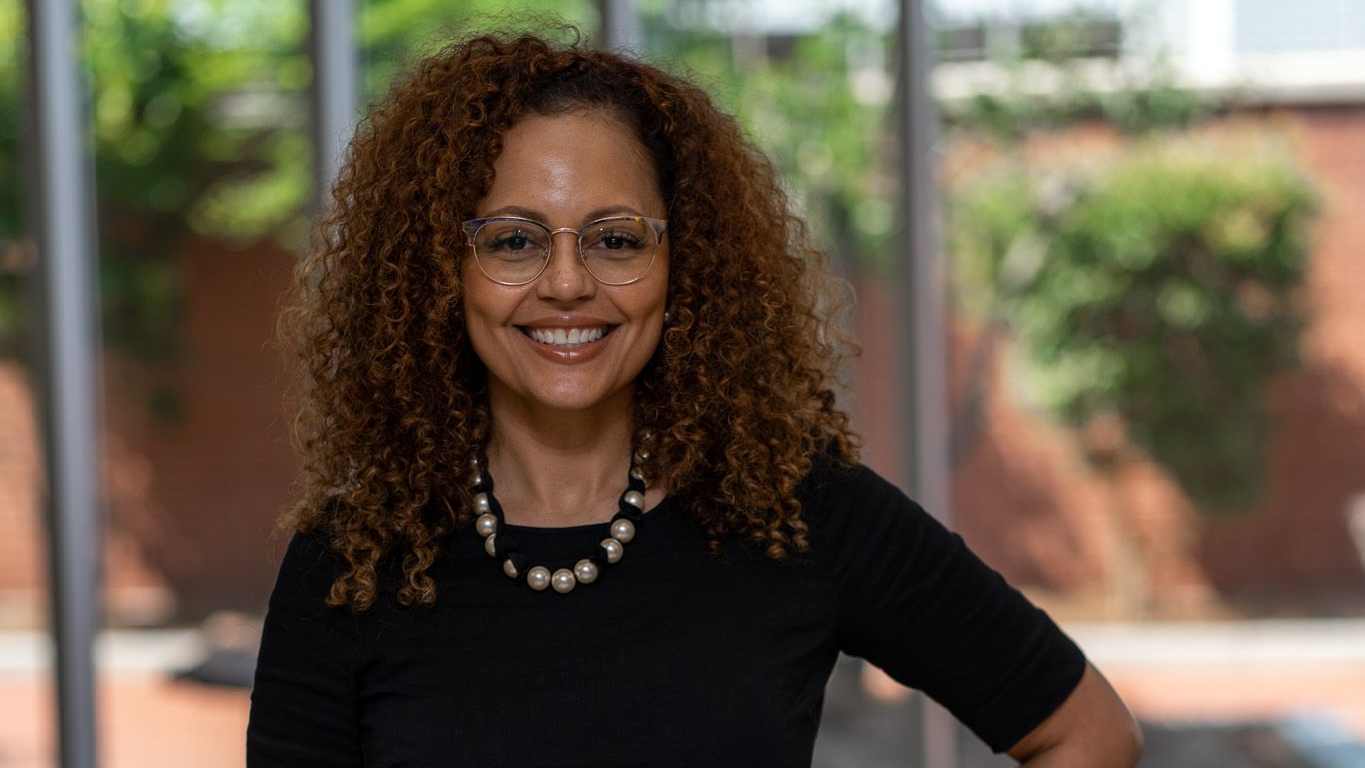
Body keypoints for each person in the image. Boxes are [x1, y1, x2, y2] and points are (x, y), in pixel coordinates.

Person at [247, 28, 1142, 767]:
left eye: (616, 239)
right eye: (513, 241)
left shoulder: (796, 513)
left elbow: (1087, 734)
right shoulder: (352, 560)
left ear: (686, 265)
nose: (567, 283)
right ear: (441, 272)